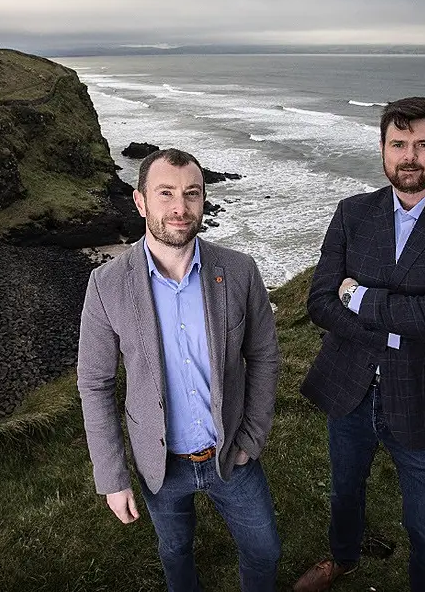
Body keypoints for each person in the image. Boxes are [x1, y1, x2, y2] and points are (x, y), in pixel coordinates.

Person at [293, 97, 425, 592]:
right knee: (345, 491)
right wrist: (401, 322)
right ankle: (343, 558)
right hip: (350, 387)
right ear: (383, 148)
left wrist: (360, 294)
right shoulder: (352, 213)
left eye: (423, 144)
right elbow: (320, 302)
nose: (410, 156)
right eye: (399, 144)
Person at [77, 148, 282, 591]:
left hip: (232, 453)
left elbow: (265, 354)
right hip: (160, 463)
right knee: (175, 553)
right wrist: (113, 477)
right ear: (140, 201)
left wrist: (251, 437)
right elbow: (95, 384)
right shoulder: (106, 284)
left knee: (265, 552)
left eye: (191, 193)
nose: (179, 207)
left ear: (203, 199)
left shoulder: (240, 270)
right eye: (165, 193)